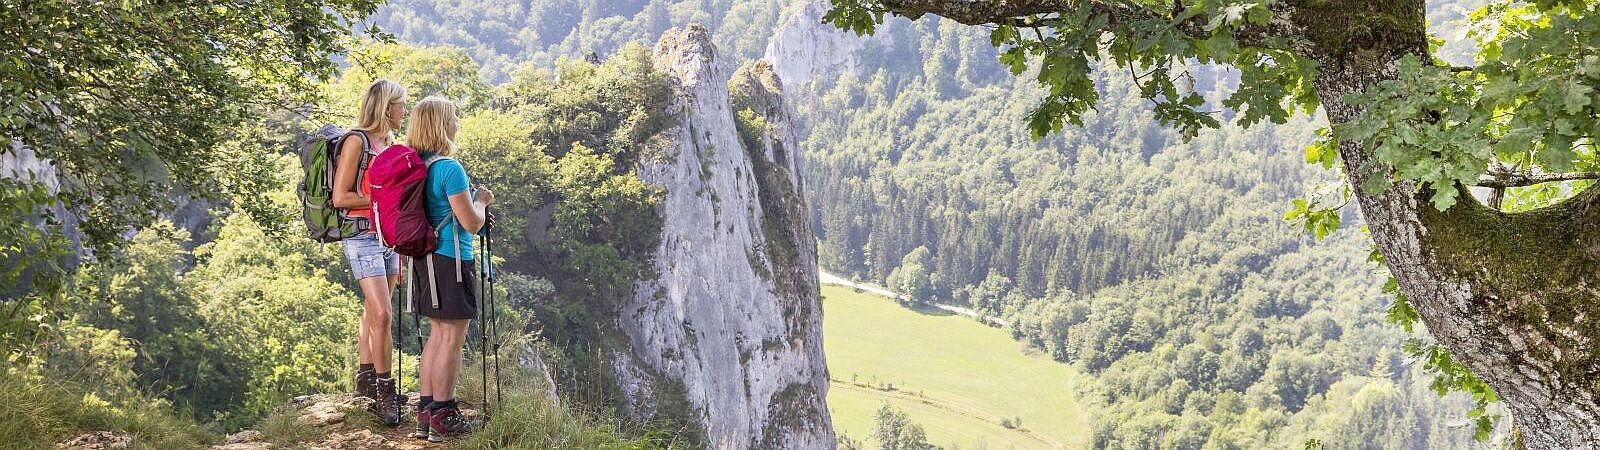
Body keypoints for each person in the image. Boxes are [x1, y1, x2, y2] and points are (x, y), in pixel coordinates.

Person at [404, 96, 492, 442]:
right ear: (442, 125)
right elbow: (470, 223)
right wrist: (482, 200)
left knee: (437, 336)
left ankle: (426, 414)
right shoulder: (448, 169)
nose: (457, 122)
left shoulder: (417, 167)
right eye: (453, 117)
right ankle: (444, 413)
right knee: (452, 339)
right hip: (451, 260)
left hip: (423, 260)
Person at [334, 79, 407, 425]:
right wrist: (382, 199)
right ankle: (385, 391)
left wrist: (403, 251)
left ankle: (365, 379)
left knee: (373, 311)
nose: (404, 111)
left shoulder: (389, 143)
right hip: (361, 237)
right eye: (400, 105)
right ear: (386, 106)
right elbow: (341, 197)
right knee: (382, 315)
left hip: (389, 238)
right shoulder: (356, 142)